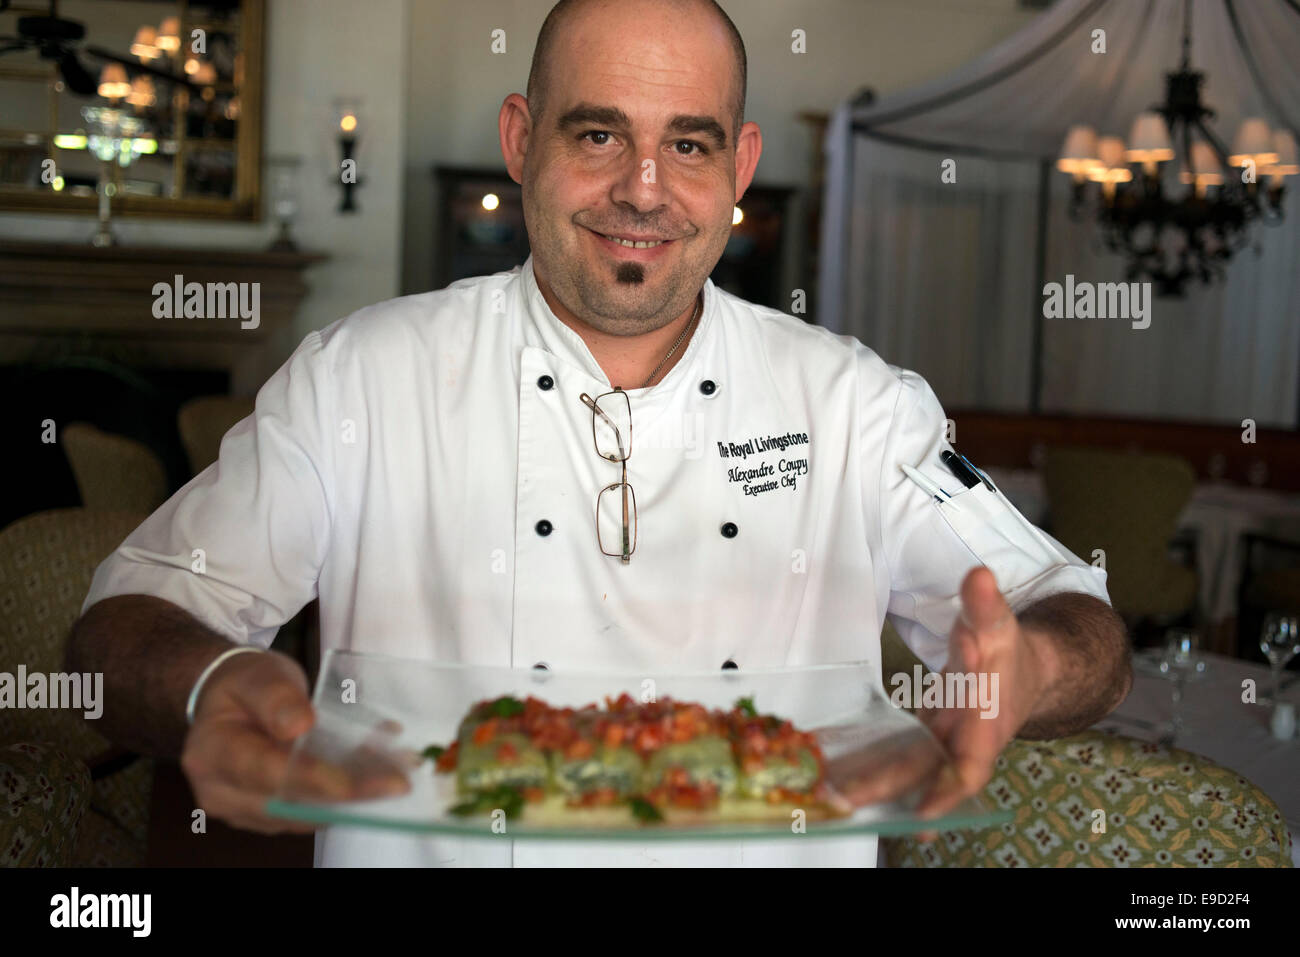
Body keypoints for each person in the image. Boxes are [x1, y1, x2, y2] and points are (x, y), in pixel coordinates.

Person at [68, 0, 1130, 867]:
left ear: (740, 163)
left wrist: (1028, 670)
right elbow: (122, 624)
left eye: (689, 143)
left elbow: (1073, 616)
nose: (644, 188)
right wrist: (209, 683)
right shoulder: (364, 376)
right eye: (597, 133)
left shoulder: (853, 403)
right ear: (521, 141)